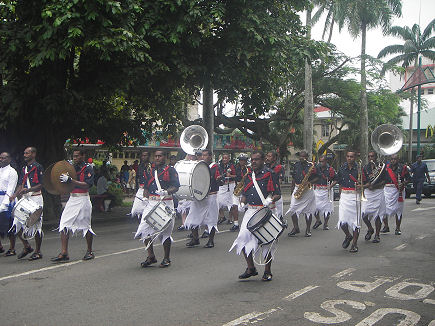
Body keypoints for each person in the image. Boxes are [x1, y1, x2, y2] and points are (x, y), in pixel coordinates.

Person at [229, 151, 281, 281]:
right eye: (252, 160)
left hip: (265, 211)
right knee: (242, 239)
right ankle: (251, 268)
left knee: (267, 241)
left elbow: (277, 193)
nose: (253, 162)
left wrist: (271, 200)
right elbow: (246, 193)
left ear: (263, 160)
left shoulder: (270, 174)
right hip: (251, 211)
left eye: (257, 159)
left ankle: (267, 271)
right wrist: (242, 202)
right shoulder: (248, 175)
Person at [134, 150, 179, 268]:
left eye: (160, 156)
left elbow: (176, 187)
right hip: (151, 203)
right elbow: (146, 187)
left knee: (165, 232)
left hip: (165, 203)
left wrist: (166, 191)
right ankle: (151, 256)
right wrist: (145, 198)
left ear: (165, 157)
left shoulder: (170, 170)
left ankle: (166, 258)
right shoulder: (150, 170)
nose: (157, 158)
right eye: (156, 156)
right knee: (144, 230)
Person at [51, 149, 95, 262]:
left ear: (83, 156)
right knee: (63, 224)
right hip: (72, 199)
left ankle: (89, 251)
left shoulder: (88, 168)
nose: (75, 158)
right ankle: (64, 252)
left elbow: (87, 185)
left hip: (83, 199)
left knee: (86, 226)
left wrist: (71, 180)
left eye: (77, 156)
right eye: (73, 156)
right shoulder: (71, 168)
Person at [9, 147, 44, 260]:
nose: (25, 155)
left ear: (33, 154)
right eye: (24, 153)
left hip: (36, 198)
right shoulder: (24, 168)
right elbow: (20, 183)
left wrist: (28, 190)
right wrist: (15, 194)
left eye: (27, 153)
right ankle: (27, 246)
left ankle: (38, 251)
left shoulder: (38, 167)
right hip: (25, 199)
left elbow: (41, 184)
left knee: (36, 225)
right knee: (16, 223)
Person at [184, 149, 221, 248]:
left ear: (210, 156)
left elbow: (220, 181)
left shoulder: (215, 167)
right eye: (202, 155)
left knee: (211, 219)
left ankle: (211, 241)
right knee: (192, 217)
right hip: (199, 196)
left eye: (205, 155)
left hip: (211, 196)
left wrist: (219, 180)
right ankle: (195, 239)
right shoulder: (199, 166)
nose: (203, 157)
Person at [331, 149, 361, 253]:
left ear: (355, 157)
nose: (349, 158)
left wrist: (362, 186)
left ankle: (354, 244)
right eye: (348, 156)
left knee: (355, 222)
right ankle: (348, 236)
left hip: (355, 196)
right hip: (344, 196)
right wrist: (334, 189)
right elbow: (338, 180)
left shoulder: (359, 169)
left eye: (351, 156)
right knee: (342, 221)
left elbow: (366, 183)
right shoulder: (342, 168)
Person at [285, 151, 317, 237]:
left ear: (307, 156)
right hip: (297, 188)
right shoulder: (296, 165)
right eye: (300, 156)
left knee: (308, 211)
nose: (301, 158)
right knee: (292, 208)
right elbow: (294, 177)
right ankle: (296, 228)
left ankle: (308, 229)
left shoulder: (311, 165)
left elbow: (318, 177)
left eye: (303, 156)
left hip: (307, 190)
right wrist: (292, 189)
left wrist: (309, 182)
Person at [361, 151, 386, 244]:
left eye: (373, 156)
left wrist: (375, 186)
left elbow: (385, 180)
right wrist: (365, 186)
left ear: (376, 157)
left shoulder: (381, 167)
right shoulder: (365, 168)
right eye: (369, 156)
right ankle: (370, 228)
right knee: (363, 214)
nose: (371, 158)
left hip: (378, 192)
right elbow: (362, 180)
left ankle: (377, 235)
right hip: (368, 193)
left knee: (378, 215)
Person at [383, 154, 410, 235]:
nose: (393, 161)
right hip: (387, 190)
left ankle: (397, 228)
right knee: (383, 209)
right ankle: (386, 226)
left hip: (398, 190)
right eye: (391, 159)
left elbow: (409, 178)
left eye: (395, 159)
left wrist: (403, 183)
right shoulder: (386, 168)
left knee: (399, 210)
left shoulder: (403, 168)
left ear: (398, 159)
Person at [0, 152, 18, 255]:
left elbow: (10, 189)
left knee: (10, 224)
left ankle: (12, 248)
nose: (1, 159)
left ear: (9, 159)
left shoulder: (12, 172)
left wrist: (5, 204)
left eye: (4, 158)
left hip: (7, 200)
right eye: (0, 158)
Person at [313, 155, 335, 230]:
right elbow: (313, 177)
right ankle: (318, 220)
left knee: (327, 209)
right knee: (314, 207)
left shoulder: (330, 169)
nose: (321, 163)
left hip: (327, 191)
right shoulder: (316, 168)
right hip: (317, 190)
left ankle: (325, 224)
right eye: (320, 161)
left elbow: (336, 179)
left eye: (322, 161)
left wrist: (330, 186)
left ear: (326, 161)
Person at [230, 154, 251, 232]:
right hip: (237, 188)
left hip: (245, 189)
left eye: (243, 160)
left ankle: (247, 223)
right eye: (240, 160)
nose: (242, 161)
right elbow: (231, 174)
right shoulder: (235, 167)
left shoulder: (249, 169)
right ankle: (236, 224)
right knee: (234, 206)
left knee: (246, 207)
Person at [217, 153, 236, 225]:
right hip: (222, 185)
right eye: (223, 158)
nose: (224, 159)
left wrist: (230, 175)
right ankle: (222, 216)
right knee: (218, 201)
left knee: (230, 202)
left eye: (226, 158)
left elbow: (236, 175)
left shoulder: (232, 166)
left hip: (230, 185)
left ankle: (230, 219)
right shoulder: (219, 166)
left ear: (229, 159)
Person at [131, 151, 150, 219]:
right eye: (142, 156)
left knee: (147, 208)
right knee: (137, 209)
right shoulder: (140, 166)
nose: (143, 157)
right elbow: (137, 178)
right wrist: (136, 190)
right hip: (141, 189)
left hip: (149, 190)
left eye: (145, 155)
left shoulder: (151, 166)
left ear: (148, 156)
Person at [266, 151, 285, 219]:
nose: (267, 158)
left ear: (274, 158)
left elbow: (279, 181)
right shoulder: (265, 167)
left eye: (269, 156)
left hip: (276, 193)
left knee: (279, 215)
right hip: (266, 193)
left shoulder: (279, 167)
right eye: (267, 156)